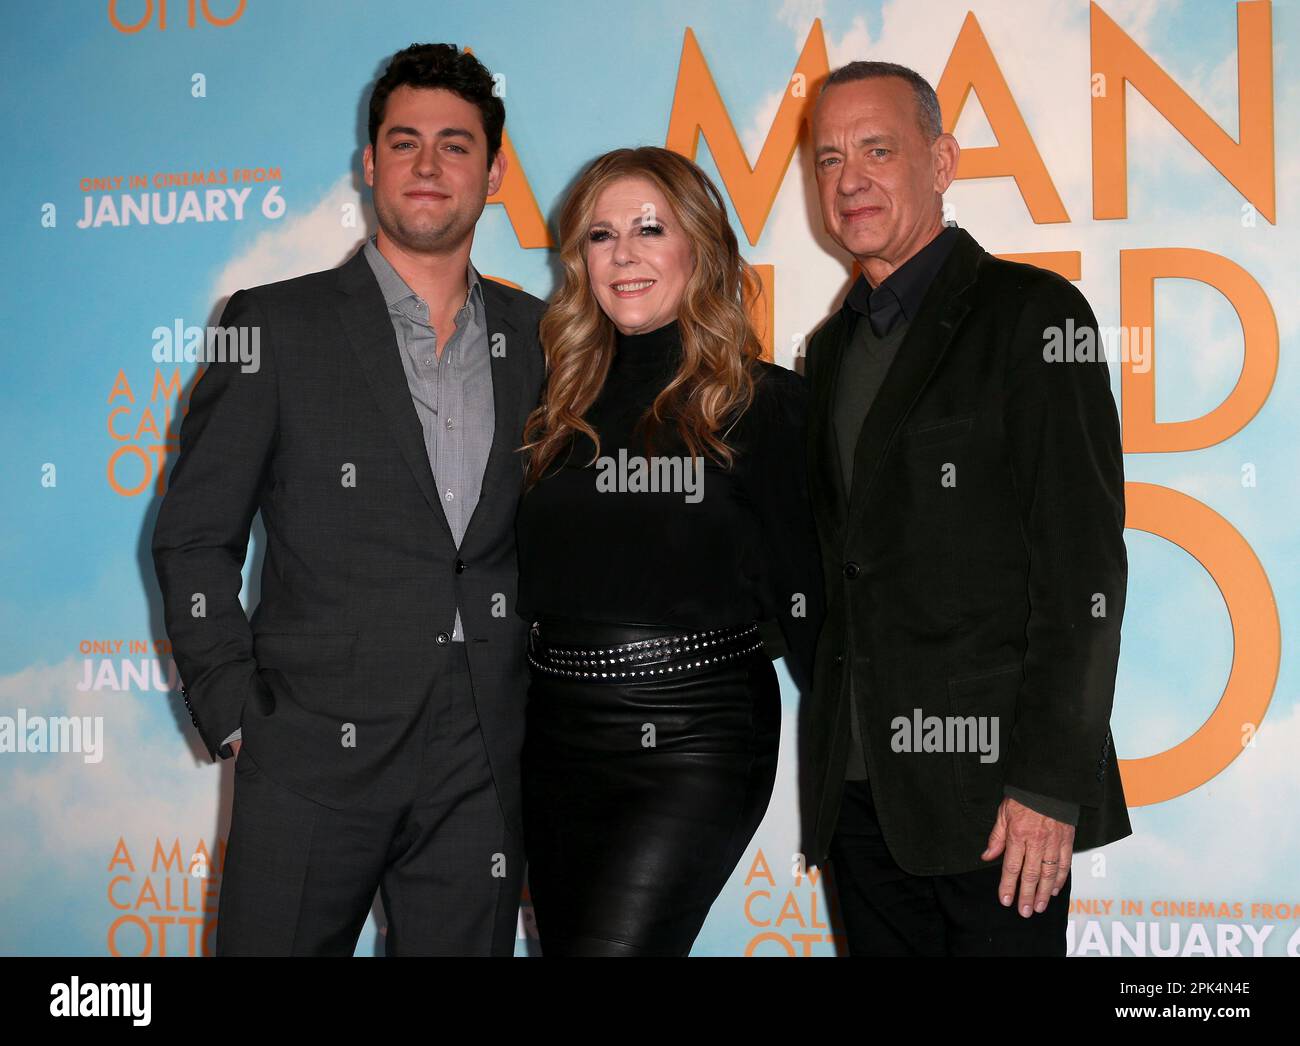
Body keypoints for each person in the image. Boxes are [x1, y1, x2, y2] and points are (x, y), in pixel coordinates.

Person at [152, 43, 545, 956]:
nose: (427, 164)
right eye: (404, 142)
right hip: (309, 749)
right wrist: (238, 713)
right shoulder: (275, 324)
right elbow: (194, 536)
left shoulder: (541, 337)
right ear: (368, 165)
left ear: (493, 173)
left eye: (455, 145)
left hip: (481, 759)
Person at [799, 61, 1131, 956]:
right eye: (828, 159)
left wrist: (1050, 783)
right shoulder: (826, 351)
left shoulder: (1033, 316)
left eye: (878, 149)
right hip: (862, 803)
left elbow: (1085, 569)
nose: (851, 179)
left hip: (998, 805)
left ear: (941, 161)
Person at [515, 146, 825, 956]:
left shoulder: (765, 405)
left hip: (695, 738)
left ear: (701, 247)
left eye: (651, 229)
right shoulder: (551, 404)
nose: (624, 255)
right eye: (600, 235)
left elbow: (816, 603)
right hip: (551, 738)